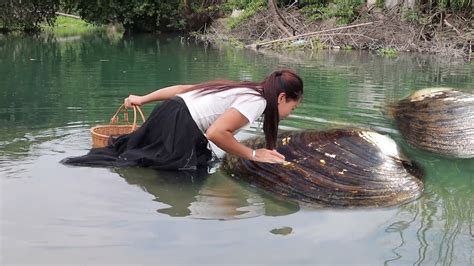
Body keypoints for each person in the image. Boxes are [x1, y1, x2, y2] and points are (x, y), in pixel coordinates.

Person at [61, 69, 303, 170]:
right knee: (185, 175)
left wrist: (143, 99)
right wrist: (253, 154)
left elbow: (182, 89)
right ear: (282, 97)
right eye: (293, 107)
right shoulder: (256, 101)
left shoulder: (244, 88)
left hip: (169, 112)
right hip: (179, 125)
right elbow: (216, 134)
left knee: (136, 155)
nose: (290, 113)